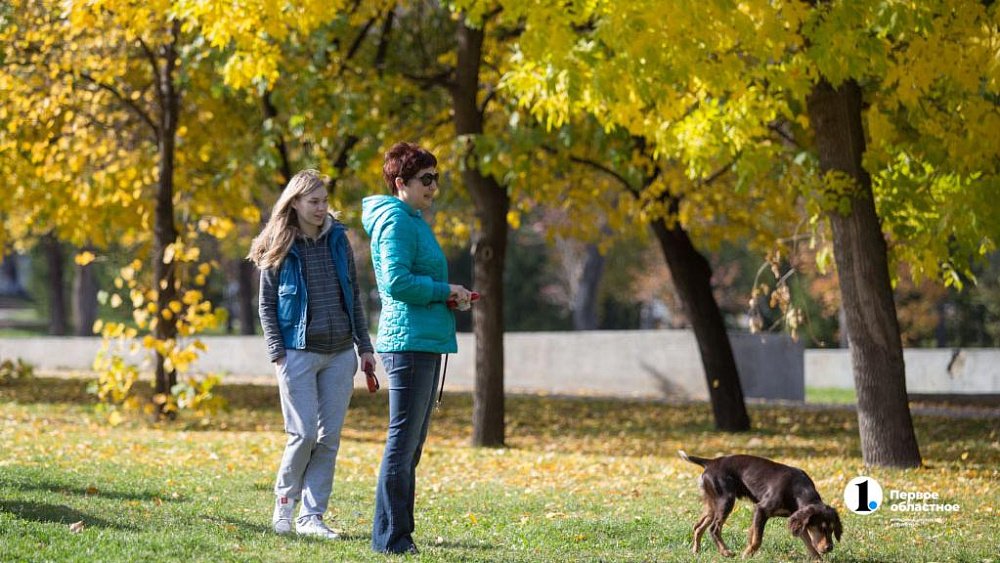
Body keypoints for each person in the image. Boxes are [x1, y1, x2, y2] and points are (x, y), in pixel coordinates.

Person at [247, 169, 376, 539]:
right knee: (302, 435)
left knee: (328, 437)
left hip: (339, 355)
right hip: (297, 353)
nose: (322, 208)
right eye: (314, 202)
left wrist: (364, 348)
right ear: (296, 202)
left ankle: (311, 517)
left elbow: (353, 296)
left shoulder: (338, 239)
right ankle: (284, 507)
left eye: (324, 201)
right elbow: (266, 305)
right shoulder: (279, 243)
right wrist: (278, 353)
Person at [362, 142, 474, 554]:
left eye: (436, 178)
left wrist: (450, 296)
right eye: (426, 179)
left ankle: (398, 535)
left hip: (423, 338)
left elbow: (413, 281)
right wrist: (443, 290)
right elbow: (395, 283)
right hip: (407, 342)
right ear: (400, 182)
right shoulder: (396, 221)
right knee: (402, 443)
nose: (434, 186)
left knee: (412, 446)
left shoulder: (413, 219)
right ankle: (391, 539)